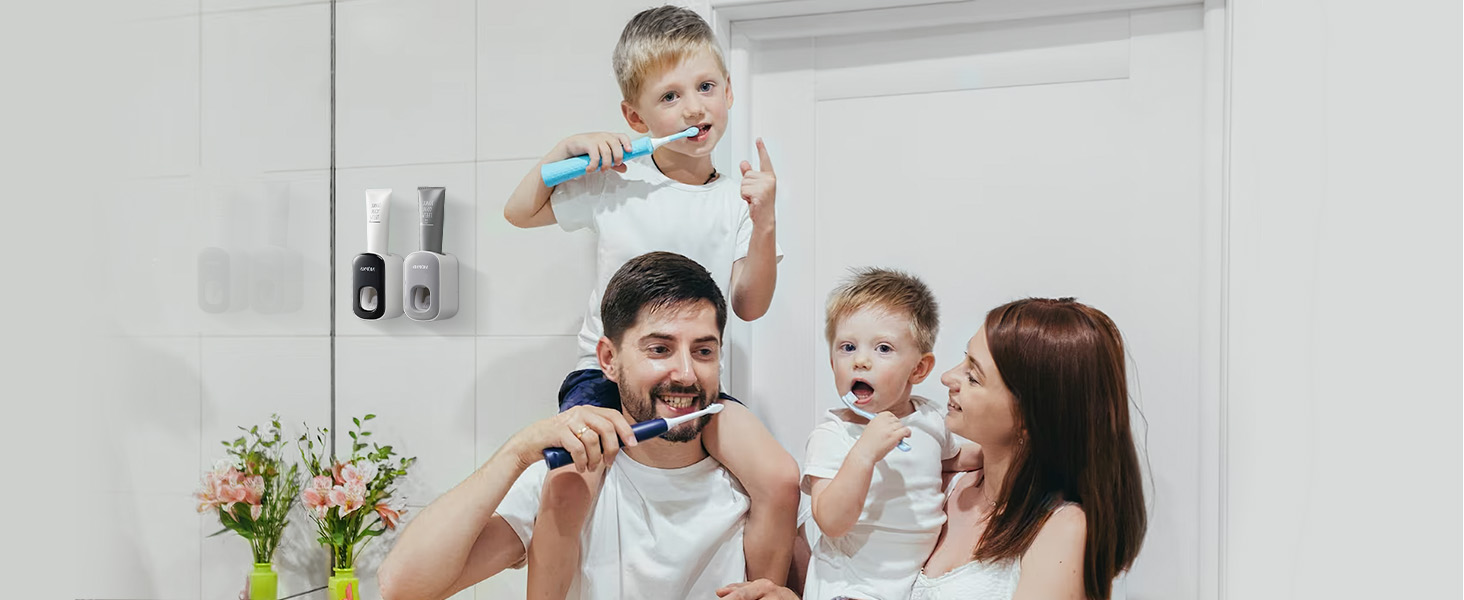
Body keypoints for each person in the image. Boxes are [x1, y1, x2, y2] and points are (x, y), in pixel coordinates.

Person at [500, 5, 798, 594]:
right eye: (670, 97)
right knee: (568, 486)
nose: (694, 108)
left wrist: (764, 220)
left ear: (729, 91)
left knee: (780, 477)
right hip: (604, 378)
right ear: (635, 117)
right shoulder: (616, 183)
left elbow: (750, 305)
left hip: (689, 380)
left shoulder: (737, 202)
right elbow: (518, 212)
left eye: (706, 87)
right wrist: (564, 150)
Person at [378, 252, 774, 600]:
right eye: (659, 349)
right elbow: (403, 587)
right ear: (608, 360)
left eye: (703, 351)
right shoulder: (564, 481)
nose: (686, 374)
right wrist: (516, 453)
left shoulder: (752, 489)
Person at [914, 298, 1147, 600]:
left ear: (1029, 418)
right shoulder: (940, 484)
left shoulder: (1061, 530)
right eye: (964, 359)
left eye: (973, 377)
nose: (947, 377)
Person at [800, 268, 981, 600]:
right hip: (850, 586)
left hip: (910, 584)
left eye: (883, 348)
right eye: (847, 347)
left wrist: (1007, 450)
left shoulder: (928, 417)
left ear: (919, 369)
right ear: (832, 362)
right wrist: (863, 455)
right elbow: (831, 522)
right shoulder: (833, 434)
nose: (861, 361)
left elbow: (952, 459)